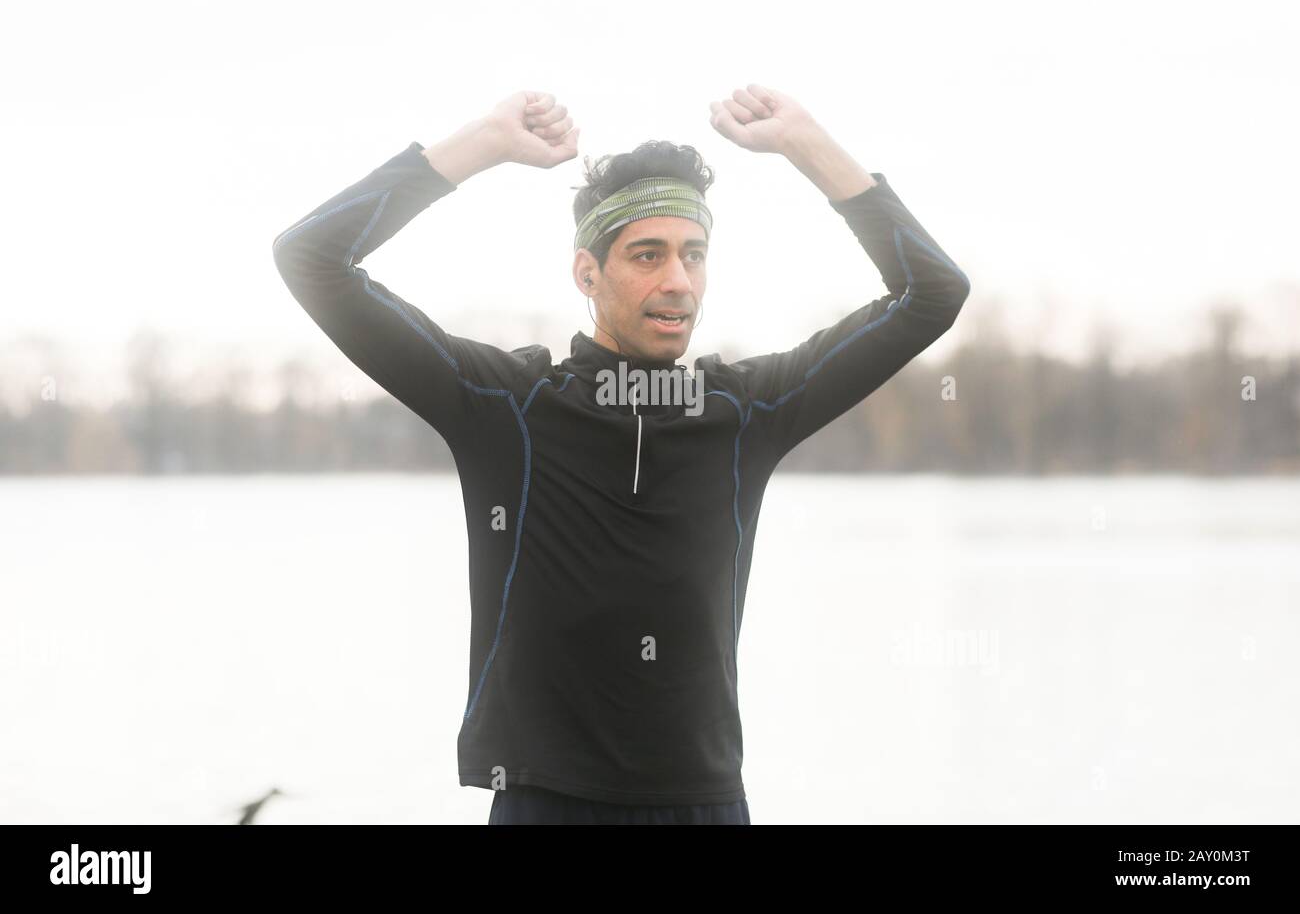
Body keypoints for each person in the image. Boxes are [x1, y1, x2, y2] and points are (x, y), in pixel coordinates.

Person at [271, 85, 970, 824]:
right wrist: (482, 143)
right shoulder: (507, 408)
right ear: (586, 274)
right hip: (545, 804)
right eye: (647, 254)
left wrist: (805, 143)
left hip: (702, 805)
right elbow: (311, 257)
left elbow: (933, 292)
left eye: (693, 255)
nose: (678, 282)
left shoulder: (746, 413)